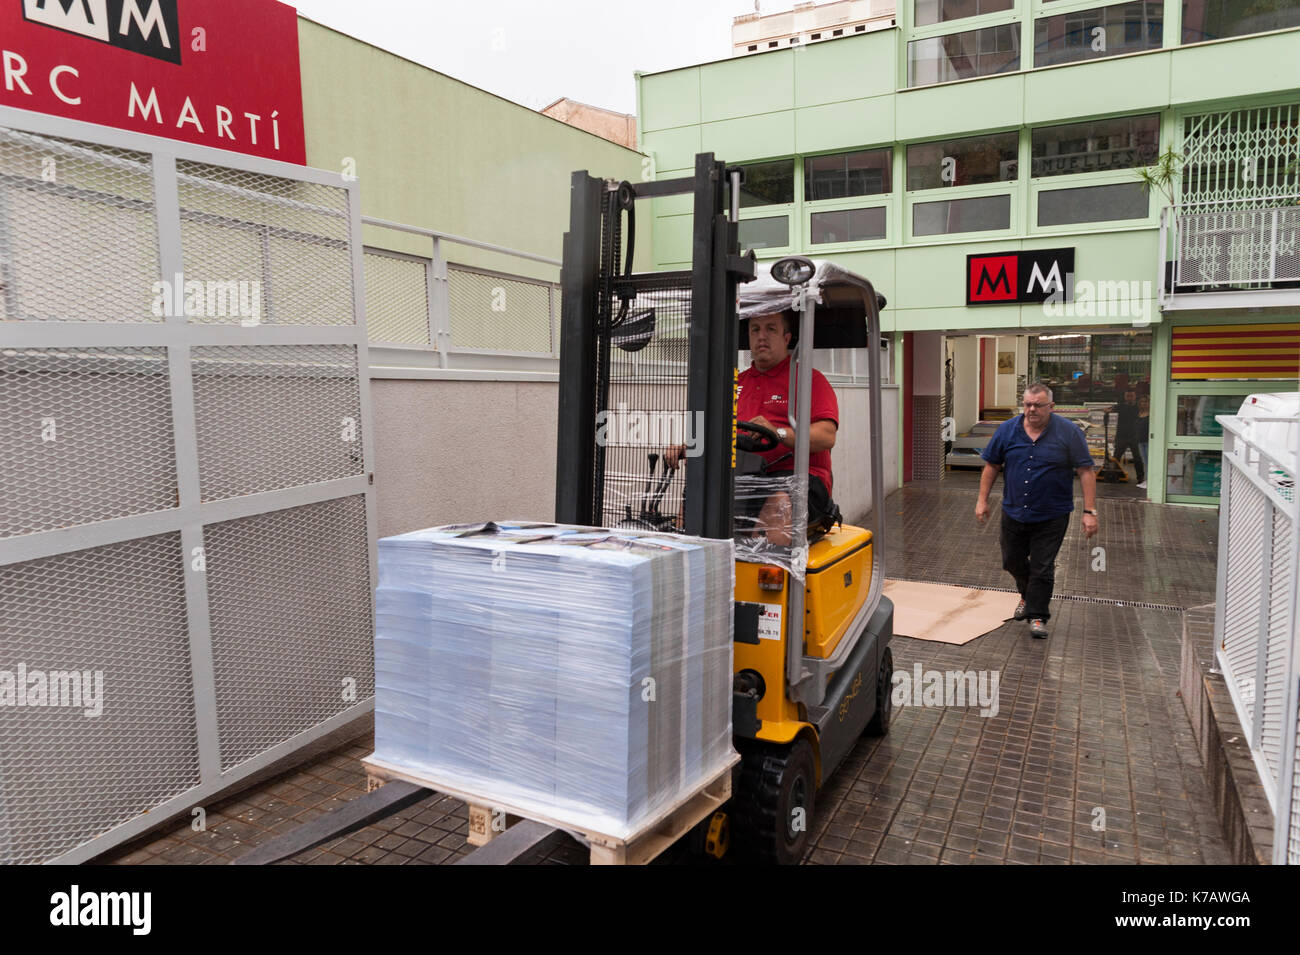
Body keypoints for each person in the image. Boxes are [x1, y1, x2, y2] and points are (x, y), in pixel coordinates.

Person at [666, 310, 839, 544]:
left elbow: (827, 436)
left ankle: (769, 571)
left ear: (787, 338)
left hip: (800, 479)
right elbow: (720, 433)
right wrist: (689, 448)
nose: (761, 336)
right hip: (746, 475)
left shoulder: (809, 379)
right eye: (755, 329)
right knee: (698, 487)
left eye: (771, 329)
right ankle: (687, 555)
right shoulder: (736, 383)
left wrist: (777, 433)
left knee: (778, 500)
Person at [975, 383, 1098, 639]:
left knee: (1043, 567)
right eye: (1027, 404)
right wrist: (981, 500)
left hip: (1052, 514)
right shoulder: (1007, 430)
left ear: (1051, 407)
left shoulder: (1069, 432)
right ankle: (1026, 595)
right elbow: (992, 466)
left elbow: (1086, 471)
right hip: (1014, 511)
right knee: (1011, 560)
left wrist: (1090, 512)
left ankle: (1038, 615)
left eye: (1037, 405)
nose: (1031, 410)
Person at [1111, 388, 1146, 488]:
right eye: (1127, 396)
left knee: (1137, 459)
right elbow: (1109, 410)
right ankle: (1114, 476)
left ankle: (1140, 478)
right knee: (1116, 458)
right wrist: (1107, 410)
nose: (1129, 398)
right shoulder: (1120, 406)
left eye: (1131, 396)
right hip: (1121, 436)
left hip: (1135, 436)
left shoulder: (1138, 407)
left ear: (1135, 396)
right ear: (1125, 397)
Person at [1137, 394, 1150, 491]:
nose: (1144, 404)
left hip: (1149, 441)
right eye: (1142, 402)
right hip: (1140, 441)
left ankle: (1149, 480)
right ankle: (1147, 480)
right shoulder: (1138, 414)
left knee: (1149, 462)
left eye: (1146, 402)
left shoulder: (1151, 414)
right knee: (1144, 461)